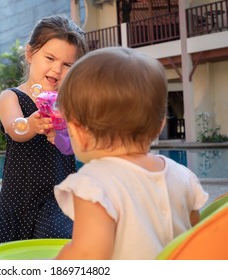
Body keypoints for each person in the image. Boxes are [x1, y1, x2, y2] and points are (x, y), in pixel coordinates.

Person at [54, 47, 209, 260]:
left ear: (79, 132)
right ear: (160, 125)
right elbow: (195, 241)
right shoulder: (184, 176)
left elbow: (88, 257)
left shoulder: (93, 185)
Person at [0, 15, 88, 247]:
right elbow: (14, 127)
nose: (57, 69)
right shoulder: (12, 97)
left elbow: (77, 146)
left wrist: (63, 136)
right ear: (30, 54)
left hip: (57, 200)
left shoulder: (68, 104)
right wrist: (31, 124)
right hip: (15, 202)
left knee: (56, 246)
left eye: (67, 64)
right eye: (50, 58)